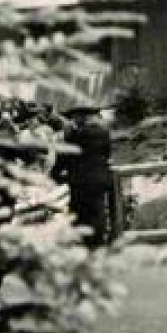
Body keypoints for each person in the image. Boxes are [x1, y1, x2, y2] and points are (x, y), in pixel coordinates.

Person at [54, 106, 115, 248]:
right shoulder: (104, 132)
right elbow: (107, 154)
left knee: (81, 214)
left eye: (74, 117)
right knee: (98, 212)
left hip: (81, 182)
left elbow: (64, 156)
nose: (72, 120)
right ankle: (99, 243)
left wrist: (54, 174)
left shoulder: (75, 135)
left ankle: (87, 246)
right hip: (100, 178)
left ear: (80, 116)